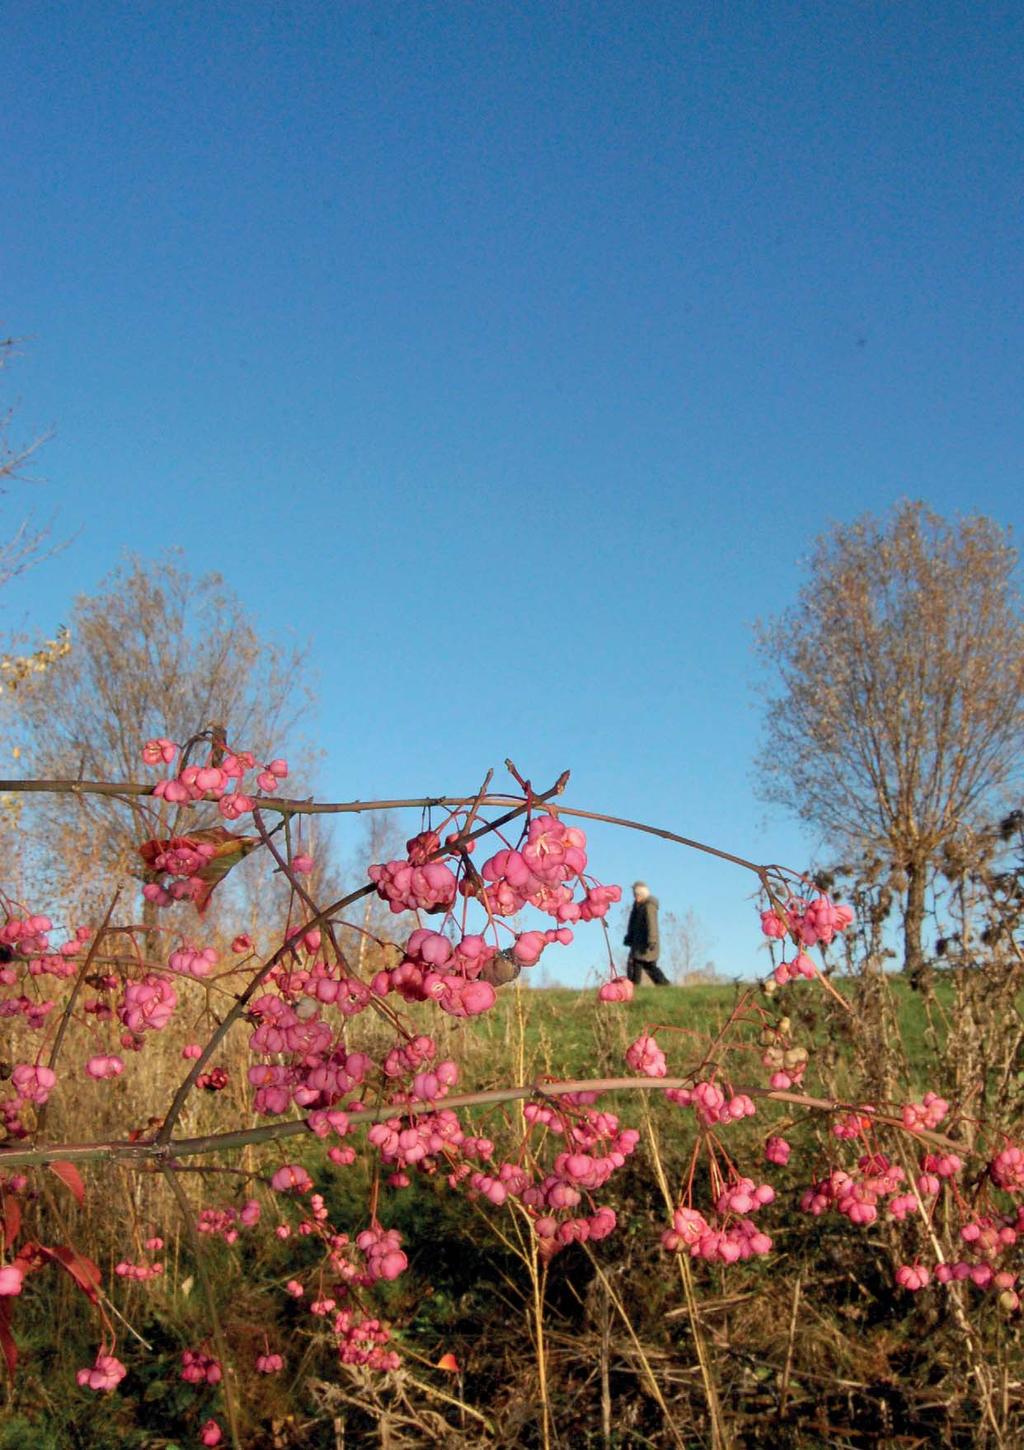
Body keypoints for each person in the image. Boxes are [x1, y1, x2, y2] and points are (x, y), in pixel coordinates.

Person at [624, 882, 670, 985]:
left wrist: (652, 940)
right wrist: (629, 937)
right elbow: (633, 925)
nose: (635, 898)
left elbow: (651, 923)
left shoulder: (649, 906)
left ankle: (664, 985)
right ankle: (634, 987)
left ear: (642, 895)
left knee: (646, 966)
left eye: (637, 895)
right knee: (636, 964)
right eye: (634, 895)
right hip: (638, 944)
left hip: (646, 944)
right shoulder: (637, 907)